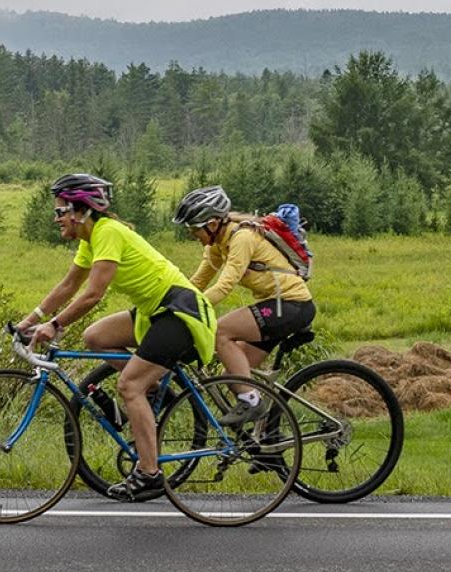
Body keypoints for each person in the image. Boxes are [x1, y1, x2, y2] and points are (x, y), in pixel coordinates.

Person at [19, 173, 217, 501]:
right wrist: (28, 322)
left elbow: (92, 294)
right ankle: (155, 389)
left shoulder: (108, 232)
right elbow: (68, 287)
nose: (56, 220)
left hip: (180, 313)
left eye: (59, 212)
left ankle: (150, 472)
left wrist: (54, 325)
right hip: (155, 313)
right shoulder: (91, 239)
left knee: (128, 386)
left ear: (79, 211)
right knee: (95, 336)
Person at [172, 185, 316, 426]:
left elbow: (225, 285)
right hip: (278, 307)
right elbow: (198, 281)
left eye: (194, 229)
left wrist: (193, 309)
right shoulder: (217, 245)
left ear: (213, 222)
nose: (192, 235)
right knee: (232, 376)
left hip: (290, 305)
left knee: (221, 332)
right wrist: (171, 301)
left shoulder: (242, 238)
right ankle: (267, 446)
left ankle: (251, 402)